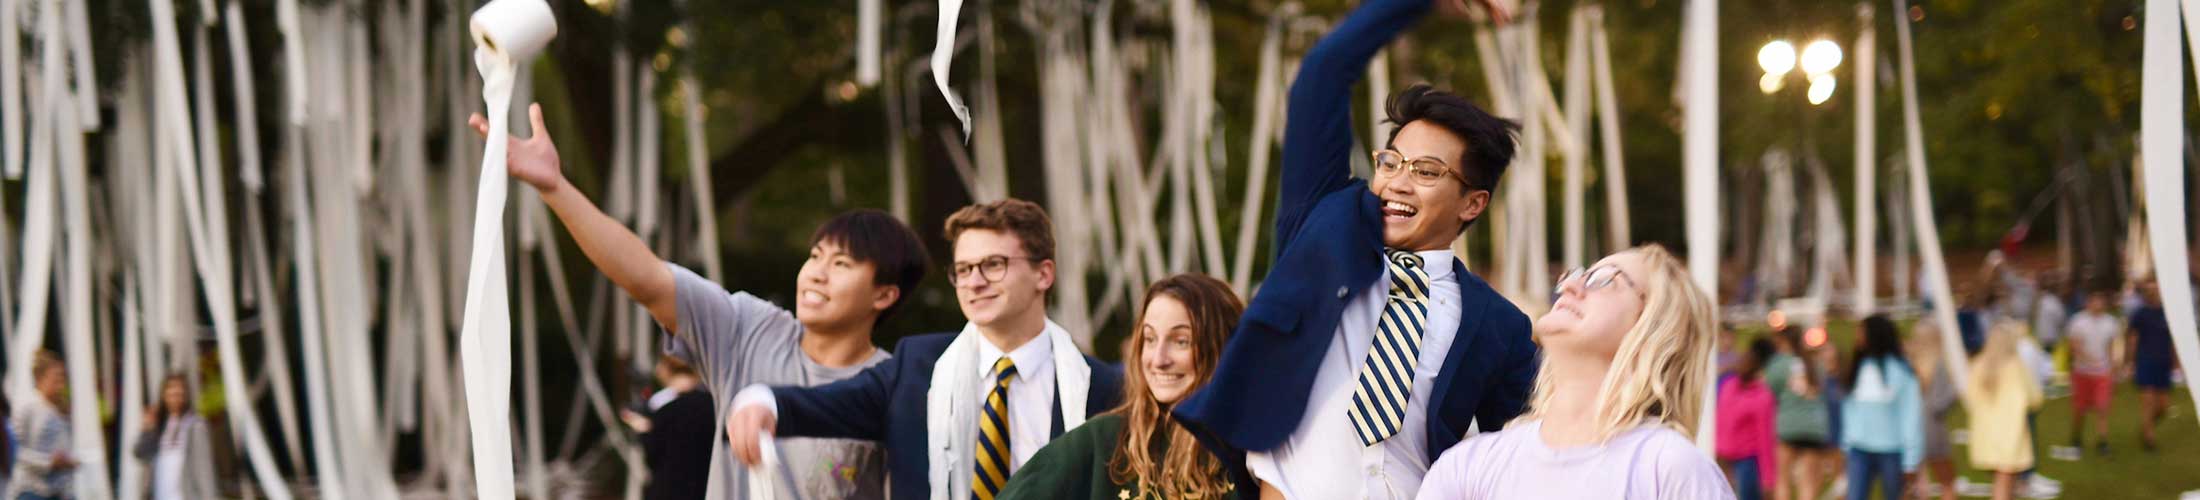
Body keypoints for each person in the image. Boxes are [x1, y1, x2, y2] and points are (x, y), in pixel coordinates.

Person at [1171, 1, 1539, 499]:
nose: (1398, 184)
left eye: (1427, 172)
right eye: (1391, 163)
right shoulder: (1321, 225)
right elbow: (1321, 75)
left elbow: (1532, 451)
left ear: (1473, 203)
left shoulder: (1500, 326)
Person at [471, 106, 926, 498]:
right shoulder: (748, 328)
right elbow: (646, 278)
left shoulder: (893, 389)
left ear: (884, 294)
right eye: (814, 256)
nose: (816, 273)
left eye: (842, 264)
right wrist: (555, 187)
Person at [724, 199, 1126, 500]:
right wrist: (763, 403)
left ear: (1043, 273)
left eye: (994, 265)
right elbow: (827, 403)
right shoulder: (917, 365)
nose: (975, 281)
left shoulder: (1102, 387)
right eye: (964, 269)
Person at [1413, 245, 1732, 499]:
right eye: (1578, 274)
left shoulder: (1669, 469)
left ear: (1654, 326)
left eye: (1605, 279)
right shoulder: (1469, 467)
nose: (1568, 285)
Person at [997, 274, 1245, 500]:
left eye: (1181, 341)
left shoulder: (1254, 447)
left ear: (1222, 346)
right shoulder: (1104, 440)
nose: (1158, 359)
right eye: (1149, 339)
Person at [1837, 316, 1921, 500]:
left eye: (1861, 332)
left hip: (1891, 450)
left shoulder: (1900, 370)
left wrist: (1910, 460)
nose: (1857, 336)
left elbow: (1910, 416)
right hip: (1859, 450)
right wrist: (1846, 444)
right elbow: (1850, 410)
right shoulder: (1857, 368)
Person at [1963, 322, 2044, 500]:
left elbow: (1969, 399)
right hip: (2011, 437)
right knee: (2003, 487)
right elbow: (2034, 399)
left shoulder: (1977, 365)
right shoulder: (2016, 367)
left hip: (1985, 436)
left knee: (2003, 485)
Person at [622, 355, 715, 500]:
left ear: (666, 368)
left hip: (668, 490)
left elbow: (653, 455)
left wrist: (644, 429)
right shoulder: (713, 404)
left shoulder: (661, 407)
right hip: (707, 490)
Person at [1764, 326, 1833, 500]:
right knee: (1808, 482)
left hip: (1789, 425)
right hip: (1814, 427)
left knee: (1783, 479)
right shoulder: (1815, 363)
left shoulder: (1779, 363)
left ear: (1784, 341)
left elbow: (1770, 389)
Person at [131, 374, 219, 500]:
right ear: (164, 395)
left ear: (186, 395)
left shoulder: (195, 425)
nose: (175, 397)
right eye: (171, 392)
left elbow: (205, 471)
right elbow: (139, 454)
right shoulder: (160, 426)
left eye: (179, 392)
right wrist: (147, 430)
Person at [1716, 338, 1778, 500]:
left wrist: (1768, 479)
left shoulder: (1758, 396)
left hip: (1736, 459)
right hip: (1734, 460)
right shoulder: (1733, 388)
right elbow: (1765, 440)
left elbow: (1765, 438)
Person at [6, 353, 74, 500]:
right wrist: (47, 462)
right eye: (56, 378)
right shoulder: (27, 407)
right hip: (31, 490)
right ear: (40, 378)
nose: (60, 383)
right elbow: (15, 450)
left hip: (59, 491)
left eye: (62, 378)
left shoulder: (62, 408)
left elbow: (65, 448)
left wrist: (69, 463)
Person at [1906, 323, 1959, 500]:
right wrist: (1954, 393)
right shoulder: (1939, 366)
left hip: (1910, 429)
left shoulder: (1907, 365)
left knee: (1917, 483)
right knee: (1947, 483)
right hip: (1933, 429)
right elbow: (1939, 404)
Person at [2063, 291, 2120, 456]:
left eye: (2101, 301)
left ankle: (2102, 441)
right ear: (2088, 302)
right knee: (2080, 409)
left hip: (2102, 373)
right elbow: (2074, 346)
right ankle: (2076, 436)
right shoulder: (2078, 321)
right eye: (2094, 301)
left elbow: (2111, 345)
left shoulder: (2110, 322)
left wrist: (2113, 366)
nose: (2098, 304)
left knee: (2102, 407)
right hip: (2082, 372)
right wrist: (2089, 360)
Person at [2125, 278, 2178, 452]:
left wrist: (2175, 361)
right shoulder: (2140, 313)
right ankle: (2149, 438)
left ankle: (2147, 427)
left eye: (2154, 290)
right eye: (2148, 290)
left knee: (2163, 406)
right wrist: (2131, 362)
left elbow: (2173, 340)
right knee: (2148, 401)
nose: (2152, 293)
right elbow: (2132, 338)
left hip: (2163, 363)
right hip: (2145, 361)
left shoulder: (2168, 312)